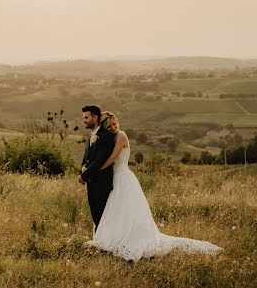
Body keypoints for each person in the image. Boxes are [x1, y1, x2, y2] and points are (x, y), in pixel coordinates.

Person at [86, 111, 222, 262]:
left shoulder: (121, 135)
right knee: (117, 211)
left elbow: (112, 158)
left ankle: (131, 239)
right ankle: (116, 237)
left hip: (124, 178)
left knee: (128, 210)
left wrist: (96, 169)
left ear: (118, 122)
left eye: (114, 124)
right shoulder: (110, 137)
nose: (113, 127)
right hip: (115, 178)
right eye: (110, 126)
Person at [78, 105, 117, 233]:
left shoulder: (105, 136)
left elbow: (99, 161)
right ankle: (101, 240)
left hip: (102, 182)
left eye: (86, 117)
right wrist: (81, 171)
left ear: (95, 117)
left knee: (102, 214)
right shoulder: (91, 136)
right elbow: (86, 158)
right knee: (95, 212)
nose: (83, 120)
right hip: (92, 181)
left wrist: (84, 176)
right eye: (83, 117)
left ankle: (106, 243)